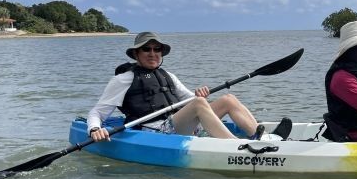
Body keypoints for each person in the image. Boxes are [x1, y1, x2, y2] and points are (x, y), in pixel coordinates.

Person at [87, 31, 262, 142]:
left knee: (228, 100)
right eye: (147, 49)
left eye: (157, 49)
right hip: (156, 132)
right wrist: (95, 128)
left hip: (177, 125)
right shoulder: (123, 79)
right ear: (136, 54)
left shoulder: (168, 76)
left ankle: (261, 137)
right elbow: (97, 112)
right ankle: (235, 147)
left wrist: (199, 94)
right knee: (199, 104)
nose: (153, 53)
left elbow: (192, 101)